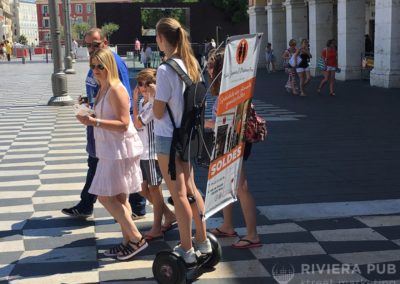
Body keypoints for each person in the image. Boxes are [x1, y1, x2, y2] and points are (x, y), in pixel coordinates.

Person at [61, 28, 146, 219]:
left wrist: (97, 120)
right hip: (100, 126)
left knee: (110, 181)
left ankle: (135, 215)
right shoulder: (100, 62)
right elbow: (104, 93)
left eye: (96, 45)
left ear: (105, 43)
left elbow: (121, 97)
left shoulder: (112, 63)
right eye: (88, 45)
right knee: (110, 179)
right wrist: (89, 103)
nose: (91, 49)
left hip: (112, 133)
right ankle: (129, 222)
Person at [76, 48, 147, 260]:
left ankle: (136, 238)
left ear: (110, 66)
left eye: (100, 66)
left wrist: (94, 121)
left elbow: (124, 124)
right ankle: (128, 241)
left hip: (119, 149)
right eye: (93, 66)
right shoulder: (103, 87)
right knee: (119, 196)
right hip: (109, 148)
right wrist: (88, 109)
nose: (96, 70)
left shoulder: (117, 89)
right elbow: (106, 113)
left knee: (104, 195)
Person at [153, 17, 212, 265]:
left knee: (178, 194)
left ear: (161, 39)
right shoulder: (192, 64)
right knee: (191, 188)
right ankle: (203, 239)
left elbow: (157, 112)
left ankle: (186, 248)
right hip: (188, 135)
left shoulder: (165, 70)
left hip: (168, 137)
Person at [205, 49, 262, 249]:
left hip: (234, 142)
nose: (208, 69)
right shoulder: (225, 89)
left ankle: (252, 234)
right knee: (226, 184)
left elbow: (228, 122)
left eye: (212, 66)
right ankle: (228, 225)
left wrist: (207, 124)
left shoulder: (231, 90)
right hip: (226, 141)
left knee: (241, 187)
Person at [132, 68, 176, 240]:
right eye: (140, 83)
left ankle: (157, 227)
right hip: (142, 152)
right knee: (142, 189)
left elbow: (137, 122)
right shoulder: (145, 102)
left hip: (151, 153)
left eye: (147, 83)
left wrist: (134, 101)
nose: (143, 87)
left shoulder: (153, 103)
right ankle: (169, 215)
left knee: (154, 189)